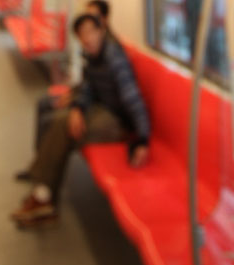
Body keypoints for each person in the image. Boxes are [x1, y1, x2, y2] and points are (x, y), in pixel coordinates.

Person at [10, 12, 150, 227]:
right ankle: (41, 185)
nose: (87, 38)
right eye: (82, 34)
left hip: (118, 122)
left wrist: (142, 139)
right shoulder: (92, 56)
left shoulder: (114, 58)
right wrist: (77, 108)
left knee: (62, 125)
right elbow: (87, 87)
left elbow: (132, 99)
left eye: (91, 32)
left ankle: (43, 198)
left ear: (101, 31)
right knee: (54, 118)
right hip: (101, 109)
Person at [15, 0, 112, 179]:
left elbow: (102, 90)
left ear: (104, 21)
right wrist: (74, 95)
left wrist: (76, 103)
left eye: (94, 17)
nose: (89, 21)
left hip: (99, 104)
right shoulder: (92, 43)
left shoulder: (108, 48)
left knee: (57, 121)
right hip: (87, 94)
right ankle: (39, 164)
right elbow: (89, 80)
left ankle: (43, 175)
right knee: (44, 104)